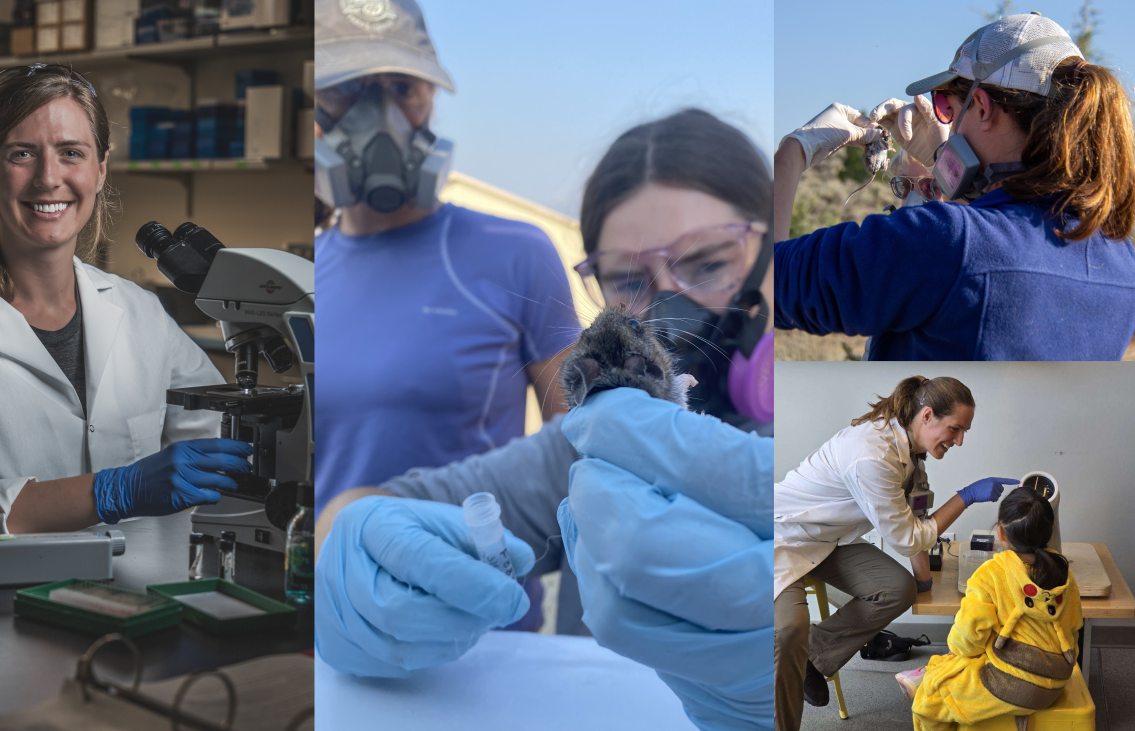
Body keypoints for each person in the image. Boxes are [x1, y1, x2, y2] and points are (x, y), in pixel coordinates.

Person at [315, 108, 776, 730]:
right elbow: (380, 508)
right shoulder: (590, 451)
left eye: (709, 262)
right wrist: (357, 555)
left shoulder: (835, 447)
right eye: (630, 278)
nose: (669, 303)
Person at [0, 64, 252, 558]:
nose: (49, 178)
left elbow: (220, 436)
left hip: (137, 597)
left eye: (71, 153)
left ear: (101, 168)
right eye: (22, 154)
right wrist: (111, 492)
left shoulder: (140, 312)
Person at [312, 0, 580, 512]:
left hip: (478, 587)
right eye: (346, 87)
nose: (382, 117)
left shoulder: (519, 255)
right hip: (332, 585)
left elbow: (580, 456)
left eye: (403, 88)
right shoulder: (302, 274)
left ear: (430, 97)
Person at [773, 13, 1135, 360]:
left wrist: (792, 154)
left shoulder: (947, 241)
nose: (949, 124)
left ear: (981, 106)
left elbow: (763, 286)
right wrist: (941, 165)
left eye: (947, 106)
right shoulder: (1121, 259)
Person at [774, 375, 1017, 731]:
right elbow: (907, 539)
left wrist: (922, 580)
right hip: (780, 536)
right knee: (788, 632)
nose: (960, 441)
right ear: (928, 416)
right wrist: (964, 497)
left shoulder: (912, 452)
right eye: (955, 429)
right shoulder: (871, 455)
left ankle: (814, 658)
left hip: (828, 540)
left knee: (897, 589)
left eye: (964, 432)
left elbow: (915, 514)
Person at [897, 487, 1079, 731]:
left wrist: (957, 651)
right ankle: (929, 672)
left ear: (1001, 532)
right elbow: (1075, 625)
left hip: (1014, 684)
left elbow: (966, 640)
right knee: (975, 656)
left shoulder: (991, 573)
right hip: (1057, 680)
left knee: (929, 702)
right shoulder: (1063, 571)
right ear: (1048, 532)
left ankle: (929, 678)